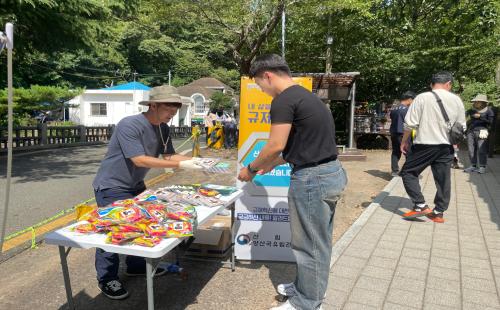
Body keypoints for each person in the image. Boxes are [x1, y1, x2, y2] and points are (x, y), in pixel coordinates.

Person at [238, 54, 347, 310]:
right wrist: (268, 165)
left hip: (312, 179)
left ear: (268, 75)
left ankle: (306, 302)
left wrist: (251, 169)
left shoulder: (283, 100)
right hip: (330, 173)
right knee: (318, 242)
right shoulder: (307, 97)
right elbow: (295, 148)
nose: (261, 91)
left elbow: (275, 145)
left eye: (259, 84)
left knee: (308, 245)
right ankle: (305, 289)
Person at [92, 85, 202, 300]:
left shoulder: (163, 128)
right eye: (168, 110)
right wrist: (183, 166)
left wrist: (198, 161)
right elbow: (139, 159)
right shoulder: (130, 124)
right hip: (112, 186)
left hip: (136, 184)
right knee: (113, 232)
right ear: (153, 105)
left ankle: (135, 265)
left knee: (143, 226)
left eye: (174, 111)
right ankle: (107, 278)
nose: (171, 115)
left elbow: (169, 156)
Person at [400, 71, 466, 223]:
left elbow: (410, 123)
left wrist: (404, 141)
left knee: (408, 172)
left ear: (431, 84)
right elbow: (461, 126)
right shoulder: (456, 100)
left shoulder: (422, 97)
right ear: (449, 83)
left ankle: (420, 205)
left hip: (425, 144)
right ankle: (438, 212)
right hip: (446, 146)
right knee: (443, 179)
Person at [464, 94, 494, 174]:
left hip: (482, 131)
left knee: (482, 150)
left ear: (483, 102)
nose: (475, 103)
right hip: (471, 131)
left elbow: (491, 122)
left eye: (478, 101)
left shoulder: (489, 111)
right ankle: (473, 165)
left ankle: (482, 167)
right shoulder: (472, 110)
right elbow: (465, 115)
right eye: (475, 101)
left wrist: (480, 117)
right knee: (471, 150)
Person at [389, 91, 416, 176]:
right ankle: (406, 172)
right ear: (409, 99)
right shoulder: (407, 110)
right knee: (409, 153)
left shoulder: (393, 109)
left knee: (395, 152)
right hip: (404, 134)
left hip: (394, 133)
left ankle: (395, 171)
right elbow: (410, 123)